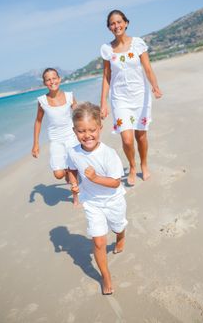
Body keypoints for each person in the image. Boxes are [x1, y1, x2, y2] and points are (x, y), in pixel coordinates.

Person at [67, 102, 128, 295]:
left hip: (113, 200)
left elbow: (116, 182)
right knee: (99, 242)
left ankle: (120, 236)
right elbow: (72, 168)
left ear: (100, 128)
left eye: (92, 130)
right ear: (74, 131)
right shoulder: (73, 152)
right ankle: (106, 276)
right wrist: (74, 183)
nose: (87, 135)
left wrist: (94, 178)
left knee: (118, 225)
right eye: (81, 131)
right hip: (92, 203)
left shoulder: (108, 154)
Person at [100, 10, 162, 185]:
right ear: (109, 27)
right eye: (112, 23)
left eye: (119, 22)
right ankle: (133, 167)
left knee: (141, 136)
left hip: (140, 95)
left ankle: (144, 163)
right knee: (127, 139)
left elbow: (147, 68)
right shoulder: (106, 49)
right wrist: (103, 102)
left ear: (126, 23)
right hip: (119, 98)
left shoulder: (138, 44)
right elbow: (106, 76)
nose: (116, 25)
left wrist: (155, 87)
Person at [31, 68, 79, 204]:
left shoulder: (69, 96)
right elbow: (38, 121)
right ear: (45, 83)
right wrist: (36, 143)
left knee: (73, 168)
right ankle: (67, 172)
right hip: (56, 140)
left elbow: (78, 114)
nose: (52, 81)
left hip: (71, 136)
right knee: (58, 174)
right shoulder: (42, 101)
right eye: (48, 79)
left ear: (59, 79)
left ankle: (76, 197)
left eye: (54, 78)